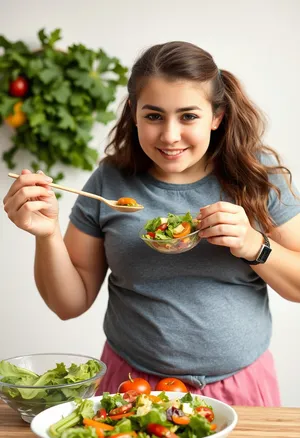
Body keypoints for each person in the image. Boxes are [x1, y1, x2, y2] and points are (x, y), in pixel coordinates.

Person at [3, 41, 300, 407]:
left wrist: (256, 246)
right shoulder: (110, 181)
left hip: (238, 389)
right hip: (131, 386)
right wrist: (46, 234)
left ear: (217, 116)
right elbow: (69, 303)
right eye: (154, 116)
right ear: (134, 111)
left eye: (188, 116)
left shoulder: (255, 176)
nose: (170, 136)